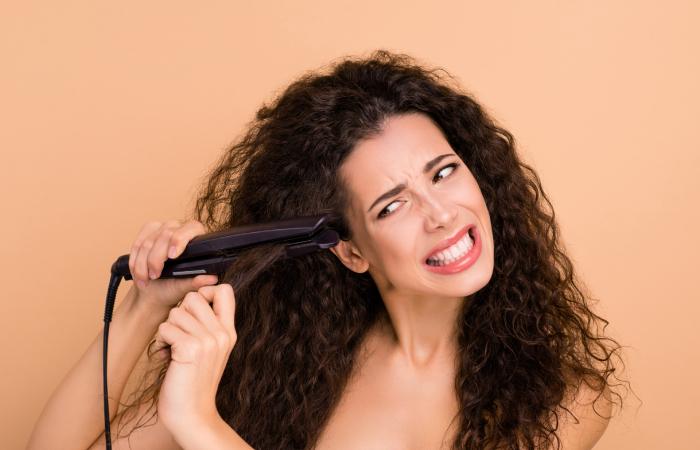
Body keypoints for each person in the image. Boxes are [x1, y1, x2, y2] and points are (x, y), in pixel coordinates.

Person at [28, 49, 629, 450]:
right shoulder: (278, 365)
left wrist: (202, 426)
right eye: (391, 206)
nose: (442, 214)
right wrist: (143, 307)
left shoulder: (566, 402)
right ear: (349, 251)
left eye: (443, 172)